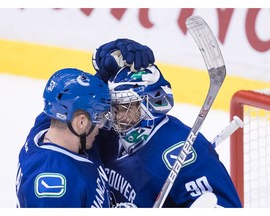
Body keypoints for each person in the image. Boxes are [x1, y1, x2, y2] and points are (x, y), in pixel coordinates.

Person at [91, 38, 242, 207]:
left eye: (125, 107)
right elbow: (61, 128)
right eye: (114, 106)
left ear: (151, 103)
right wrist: (100, 75)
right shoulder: (104, 135)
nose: (116, 116)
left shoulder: (186, 152)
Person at [15, 68, 113, 207]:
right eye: (99, 118)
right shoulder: (54, 184)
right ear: (81, 122)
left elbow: (66, 99)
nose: (101, 126)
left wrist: (103, 74)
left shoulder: (43, 130)